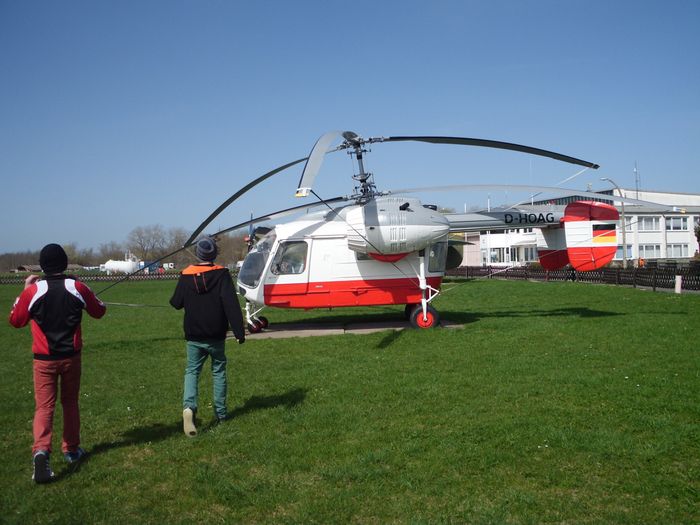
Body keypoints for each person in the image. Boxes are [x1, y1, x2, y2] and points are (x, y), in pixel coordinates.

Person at [9, 243, 106, 483]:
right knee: (70, 402)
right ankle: (71, 450)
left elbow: (16, 320)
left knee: (44, 407)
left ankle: (41, 450)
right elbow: (99, 310)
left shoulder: (33, 292)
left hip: (43, 360)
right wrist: (84, 291)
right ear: (64, 263)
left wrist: (24, 290)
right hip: (71, 357)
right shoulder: (77, 286)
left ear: (42, 266)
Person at [169, 236, 245, 437]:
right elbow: (231, 304)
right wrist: (239, 331)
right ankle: (221, 414)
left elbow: (176, 302)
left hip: (194, 335)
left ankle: (189, 407)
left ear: (198, 254)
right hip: (216, 334)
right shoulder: (222, 275)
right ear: (214, 254)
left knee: (192, 371)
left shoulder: (186, 275)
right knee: (218, 371)